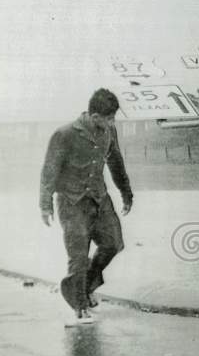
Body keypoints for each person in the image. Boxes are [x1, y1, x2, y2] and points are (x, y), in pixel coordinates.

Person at [40, 88, 133, 322]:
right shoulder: (64, 135)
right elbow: (49, 171)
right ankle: (79, 306)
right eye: (108, 118)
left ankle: (82, 286)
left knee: (113, 243)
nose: (112, 122)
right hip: (71, 202)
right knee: (78, 255)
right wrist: (45, 204)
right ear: (94, 117)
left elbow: (116, 163)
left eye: (113, 118)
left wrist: (126, 192)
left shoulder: (108, 131)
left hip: (99, 199)